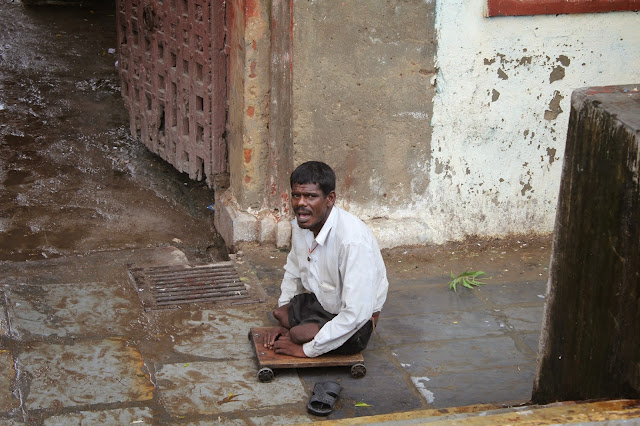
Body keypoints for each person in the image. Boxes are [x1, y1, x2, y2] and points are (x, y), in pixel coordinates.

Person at [264, 161, 389, 358]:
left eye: (311, 196)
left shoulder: (352, 241)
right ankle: (305, 328)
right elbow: (293, 270)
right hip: (325, 302)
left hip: (358, 320)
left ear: (330, 198)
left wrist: (306, 350)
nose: (301, 204)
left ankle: (308, 334)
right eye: (296, 195)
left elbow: (357, 313)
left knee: (298, 334)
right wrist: (283, 322)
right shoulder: (301, 225)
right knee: (280, 313)